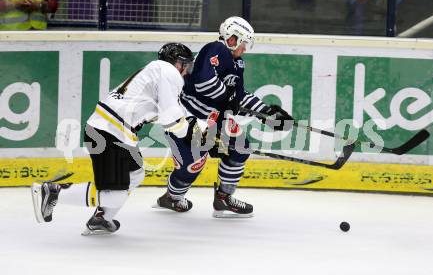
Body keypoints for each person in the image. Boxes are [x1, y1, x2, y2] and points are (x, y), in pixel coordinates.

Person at [31, 43, 195, 235]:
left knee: (135, 174)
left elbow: (161, 113)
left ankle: (101, 218)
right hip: (110, 133)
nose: (186, 71)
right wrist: (187, 131)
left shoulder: (155, 72)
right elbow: (170, 116)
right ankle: (54, 192)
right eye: (186, 65)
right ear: (176, 62)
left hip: (110, 131)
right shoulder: (168, 71)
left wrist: (190, 122)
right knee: (113, 196)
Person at [154, 16, 292, 218]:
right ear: (232, 38)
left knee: (240, 148)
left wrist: (267, 112)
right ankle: (172, 198)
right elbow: (203, 82)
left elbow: (239, 95)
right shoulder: (215, 49)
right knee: (192, 165)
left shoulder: (238, 64)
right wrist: (228, 98)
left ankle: (223, 199)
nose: (244, 48)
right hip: (188, 118)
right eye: (243, 43)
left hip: (214, 120)